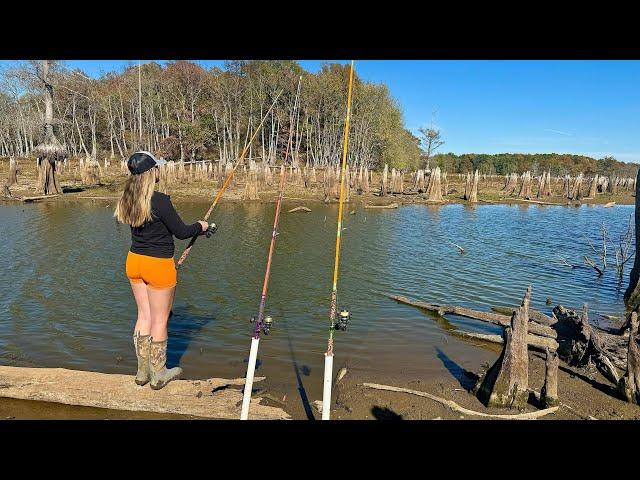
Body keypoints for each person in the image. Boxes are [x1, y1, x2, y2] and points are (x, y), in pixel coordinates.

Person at [114, 151, 208, 390]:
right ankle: (159, 374)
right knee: (159, 320)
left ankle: (141, 372)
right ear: (151, 172)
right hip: (158, 266)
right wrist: (202, 226)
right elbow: (182, 232)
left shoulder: (128, 198)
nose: (160, 171)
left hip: (134, 262)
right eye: (157, 167)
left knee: (143, 316)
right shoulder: (161, 201)